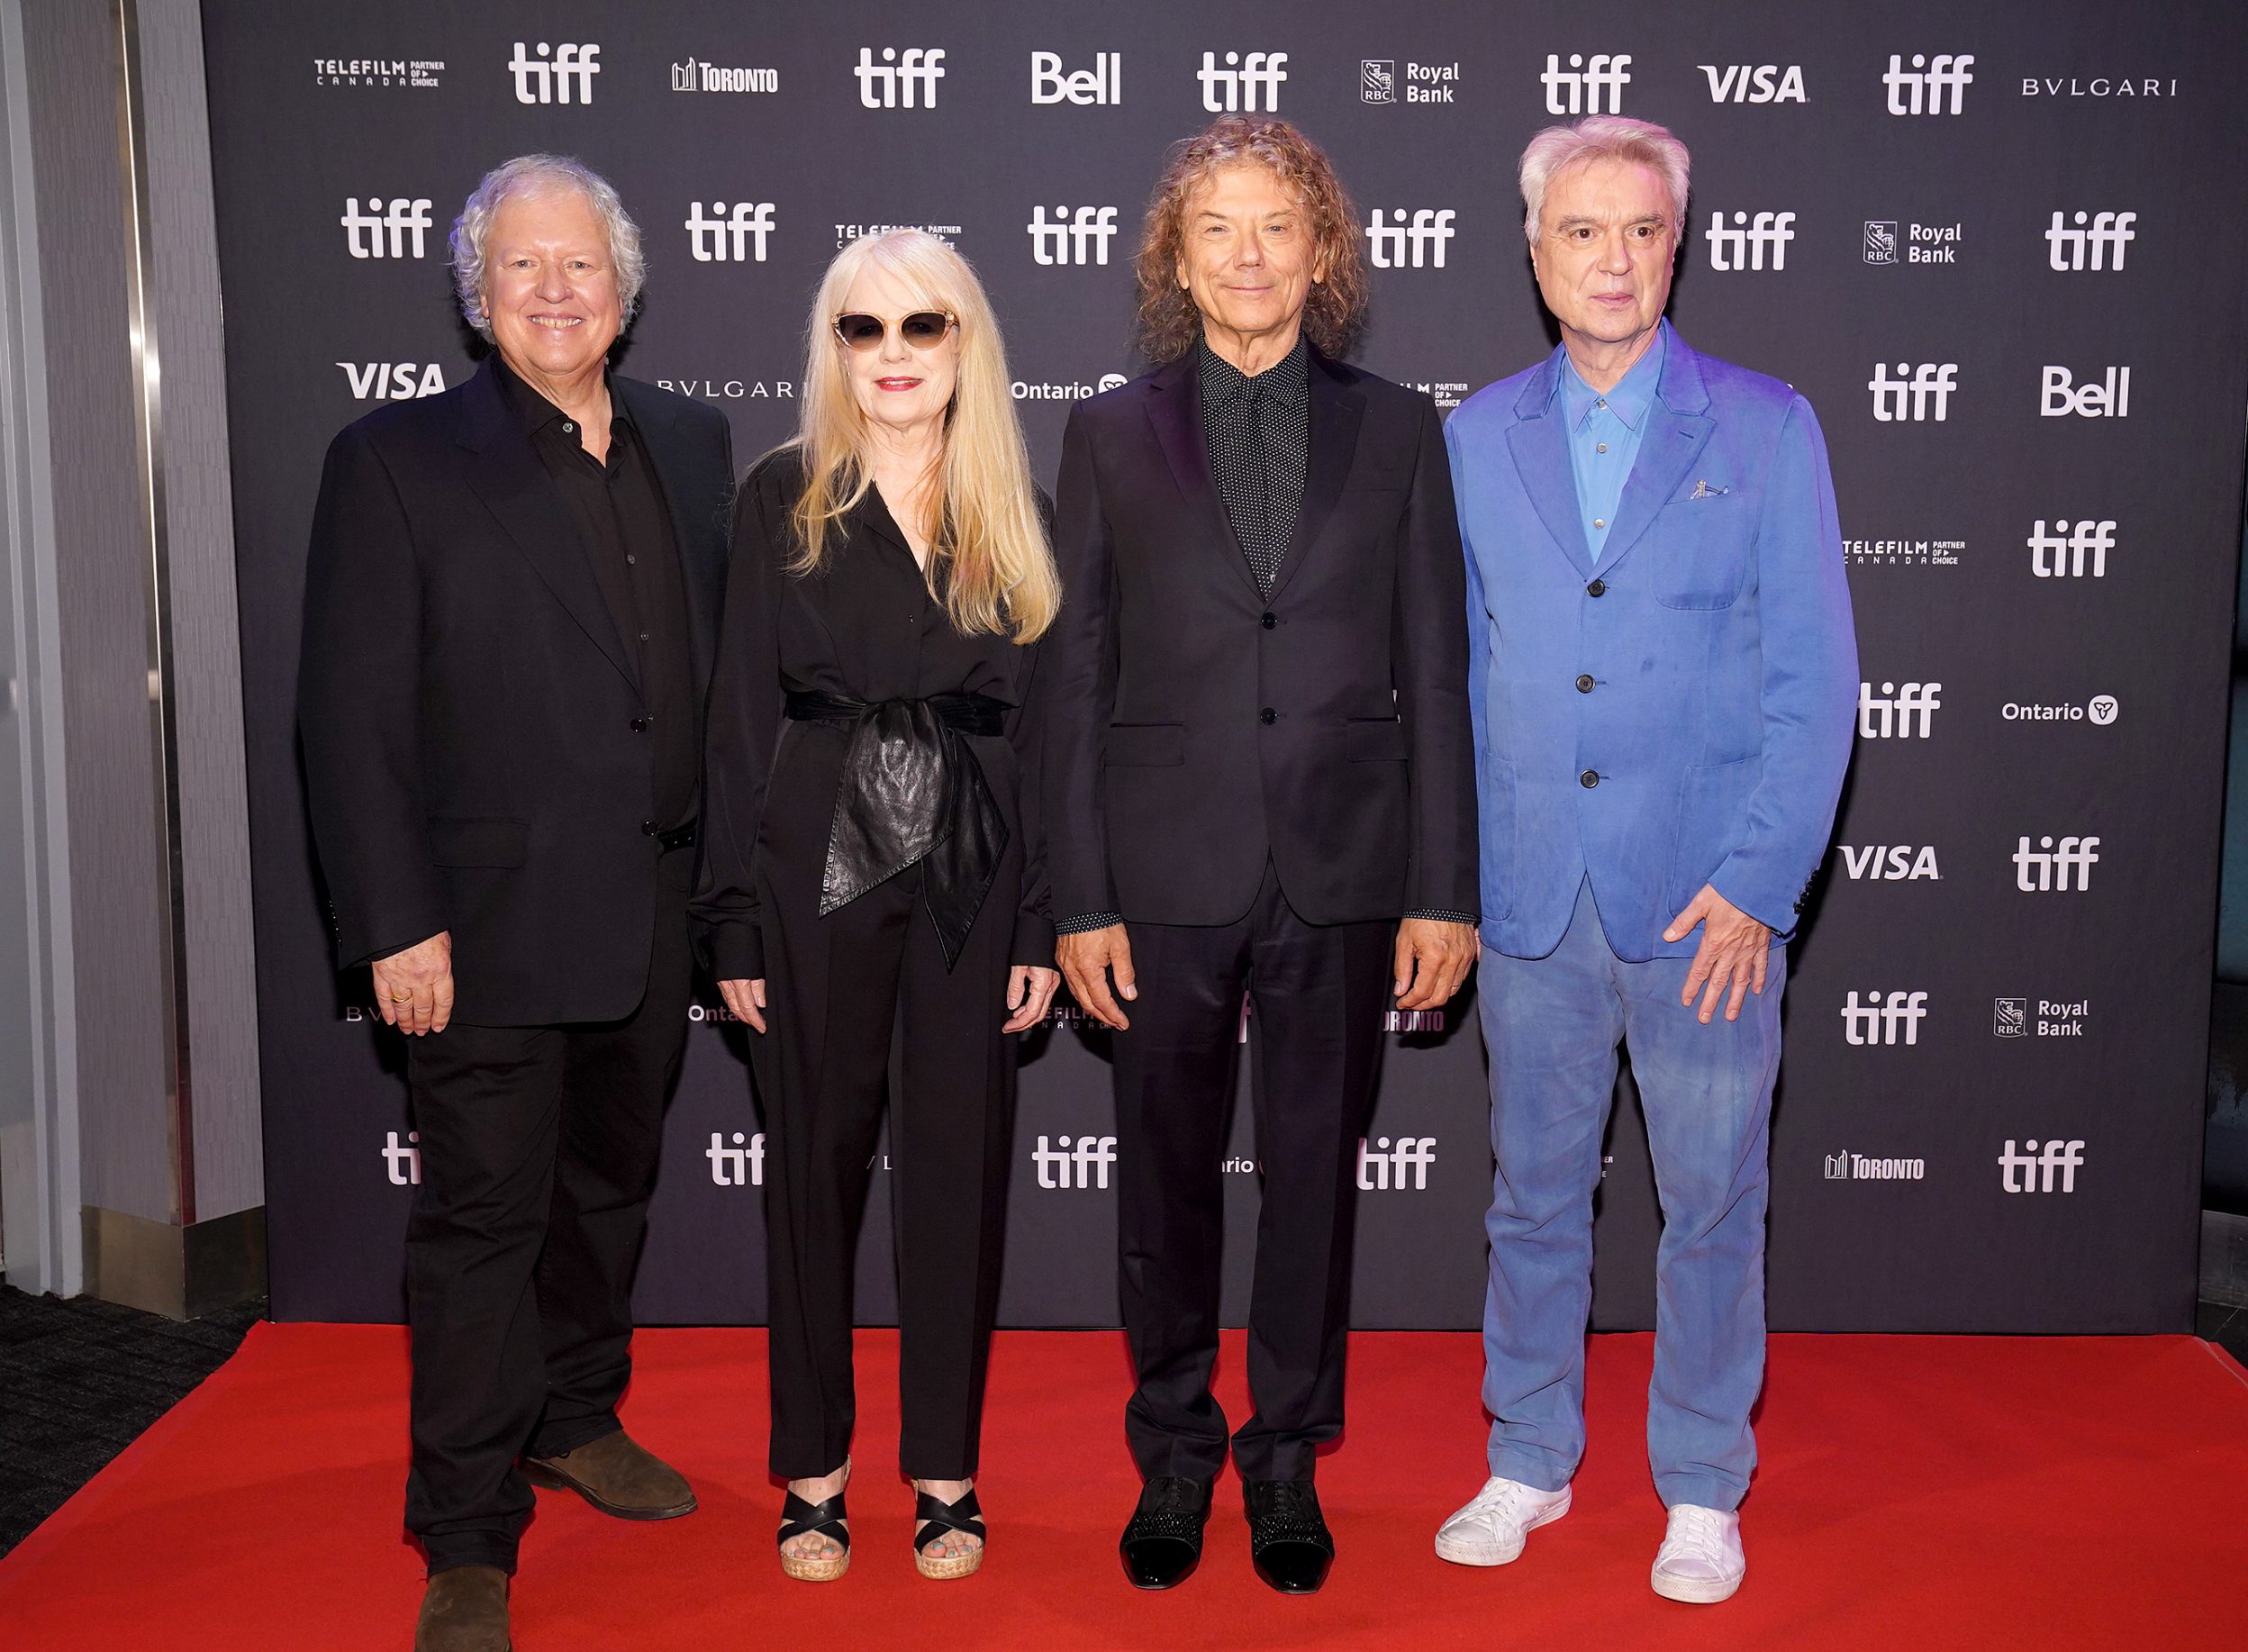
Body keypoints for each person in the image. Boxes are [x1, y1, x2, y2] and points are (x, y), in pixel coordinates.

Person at [297, 154, 733, 1651]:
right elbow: (346, 718)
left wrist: (724, 911)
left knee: (608, 1193)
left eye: (581, 267)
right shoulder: (398, 459)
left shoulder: (692, 441)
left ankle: (576, 1417)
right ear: (478, 300)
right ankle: (468, 1528)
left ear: (626, 288)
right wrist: (390, 923)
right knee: (485, 1223)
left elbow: (715, 698)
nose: (555, 292)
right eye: (521, 270)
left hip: (652, 911)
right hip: (473, 932)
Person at [1044, 117, 1476, 1595]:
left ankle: (1285, 1457)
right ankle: (1175, 1449)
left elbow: (1439, 668)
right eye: (1216, 227)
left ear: (1323, 252)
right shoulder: (1106, 433)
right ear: (1175, 253)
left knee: (1312, 1178)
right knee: (1163, 1179)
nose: (1247, 254)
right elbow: (1075, 675)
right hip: (1162, 871)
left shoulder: (1403, 428)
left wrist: (1443, 885)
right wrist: (1079, 894)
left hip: (1347, 868)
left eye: (1277, 226)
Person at [1433, 115, 1858, 1604]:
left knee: (1713, 1201)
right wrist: (1461, 880)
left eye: (1641, 231)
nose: (1612, 260)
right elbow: (1450, 682)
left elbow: (1817, 684)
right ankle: (1529, 1456)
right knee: (1532, 1197)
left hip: (1707, 905)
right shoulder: (1473, 437)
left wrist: (1759, 883)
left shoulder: (1767, 426)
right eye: (1581, 232)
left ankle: (1698, 1483)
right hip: (1533, 895)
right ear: (1535, 252)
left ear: (1678, 243)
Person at [695, 230, 1063, 1585]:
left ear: (967, 343)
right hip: (812, 877)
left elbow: (1054, 730)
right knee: (811, 1176)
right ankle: (813, 1470)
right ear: (832, 348)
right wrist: (728, 918)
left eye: (925, 326)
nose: (896, 354)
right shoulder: (781, 495)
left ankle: (947, 1473)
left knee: (960, 1178)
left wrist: (1040, 920)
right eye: (866, 328)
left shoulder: (1015, 502)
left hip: (974, 868)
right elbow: (737, 716)